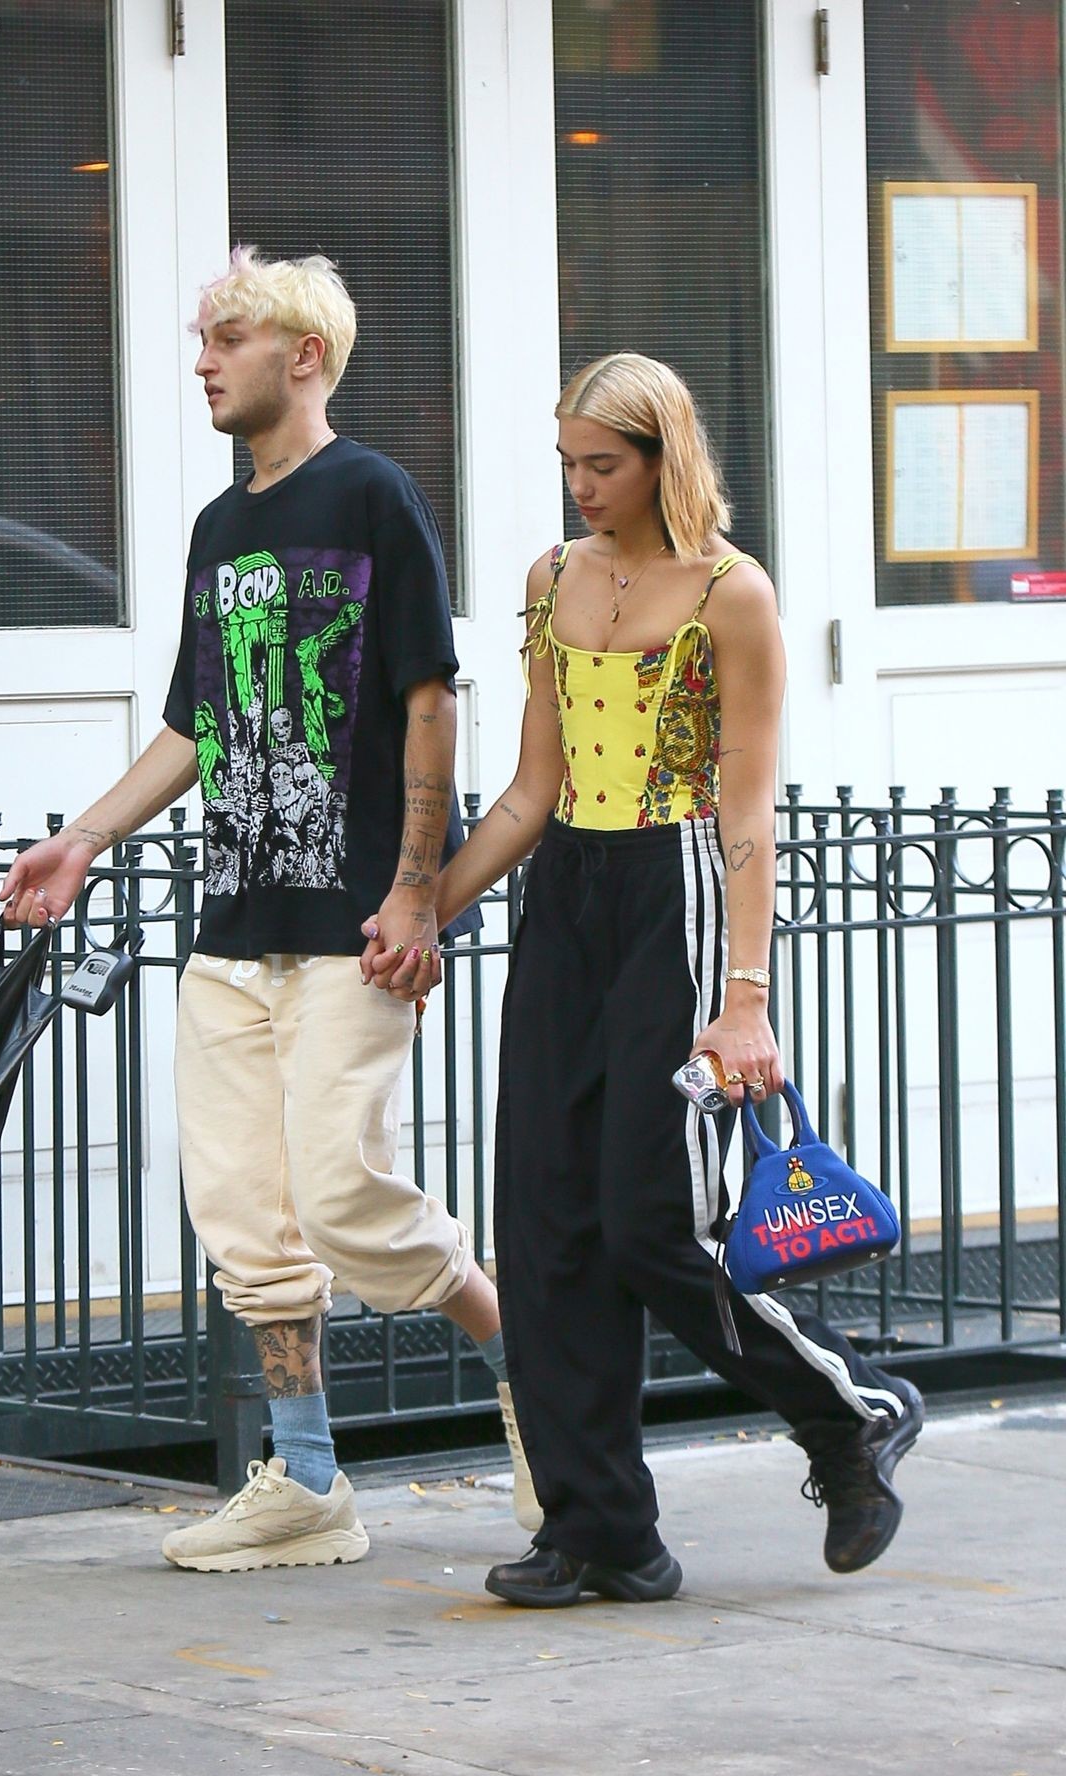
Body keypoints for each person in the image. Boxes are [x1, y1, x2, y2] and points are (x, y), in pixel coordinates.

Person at [0, 247, 538, 1572]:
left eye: (224, 338)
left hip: (356, 925)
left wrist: (415, 889)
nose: (200, 362)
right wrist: (83, 839)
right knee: (247, 1213)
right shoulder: (216, 530)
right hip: (234, 928)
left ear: (301, 356)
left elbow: (428, 697)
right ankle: (304, 1481)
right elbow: (196, 725)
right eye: (201, 338)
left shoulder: (373, 495)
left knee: (347, 1197)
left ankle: (542, 1384)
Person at [364, 352, 923, 1608]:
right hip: (565, 894)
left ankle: (850, 1410)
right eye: (566, 463)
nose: (579, 486)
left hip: (676, 892)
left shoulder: (731, 592)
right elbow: (529, 792)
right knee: (545, 1228)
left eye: (601, 465)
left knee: (652, 1220)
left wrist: (744, 998)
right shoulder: (551, 579)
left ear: (664, 458)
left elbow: (745, 808)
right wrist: (422, 910)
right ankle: (600, 1528)